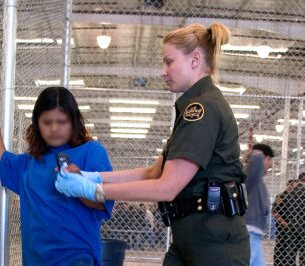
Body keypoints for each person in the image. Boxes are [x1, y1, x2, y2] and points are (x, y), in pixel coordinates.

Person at [55, 23, 250, 266]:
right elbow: (152, 173)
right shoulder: (193, 108)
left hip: (214, 246)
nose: (162, 71)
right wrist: (91, 177)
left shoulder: (202, 110)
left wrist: (93, 191)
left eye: (169, 61)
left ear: (195, 59)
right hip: (192, 239)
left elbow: (165, 188)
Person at [0, 87, 113, 265]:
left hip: (77, 256)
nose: (55, 128)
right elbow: (0, 161)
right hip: (36, 259)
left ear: (74, 122)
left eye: (62, 121)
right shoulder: (29, 163)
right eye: (47, 122)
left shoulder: (91, 152)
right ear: (37, 123)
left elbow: (102, 202)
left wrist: (79, 185)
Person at [244, 143, 274, 266]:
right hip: (249, 232)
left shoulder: (258, 180)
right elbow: (256, 157)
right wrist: (257, 151)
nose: (270, 164)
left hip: (254, 233)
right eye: (269, 159)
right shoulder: (252, 176)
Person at [272, 174, 305, 266]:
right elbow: (274, 211)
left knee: (290, 251)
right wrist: (283, 223)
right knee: (282, 247)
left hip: (290, 225)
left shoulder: (287, 195)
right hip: (284, 226)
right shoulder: (281, 196)